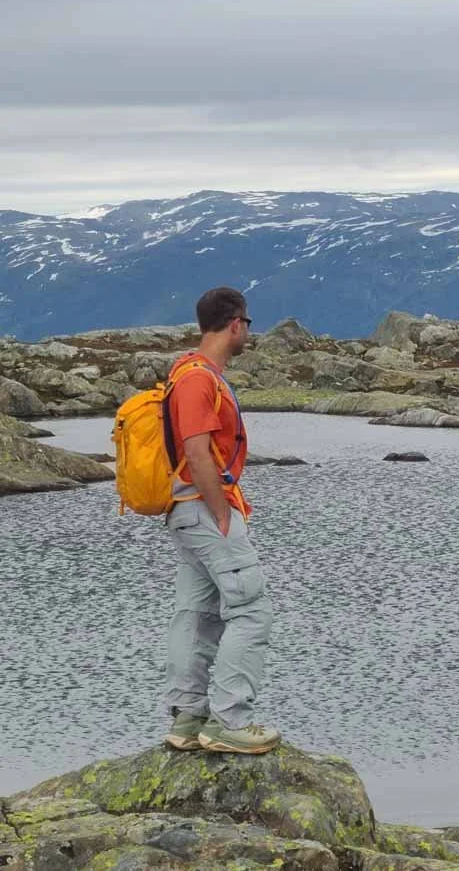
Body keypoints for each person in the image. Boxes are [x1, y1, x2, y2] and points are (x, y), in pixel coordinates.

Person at [160, 287, 280, 755]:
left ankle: (188, 719)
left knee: (197, 613)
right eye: (248, 323)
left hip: (187, 511)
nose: (249, 330)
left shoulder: (191, 374)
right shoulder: (197, 379)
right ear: (235, 324)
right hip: (202, 509)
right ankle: (231, 720)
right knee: (251, 610)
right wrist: (222, 512)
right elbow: (195, 450)